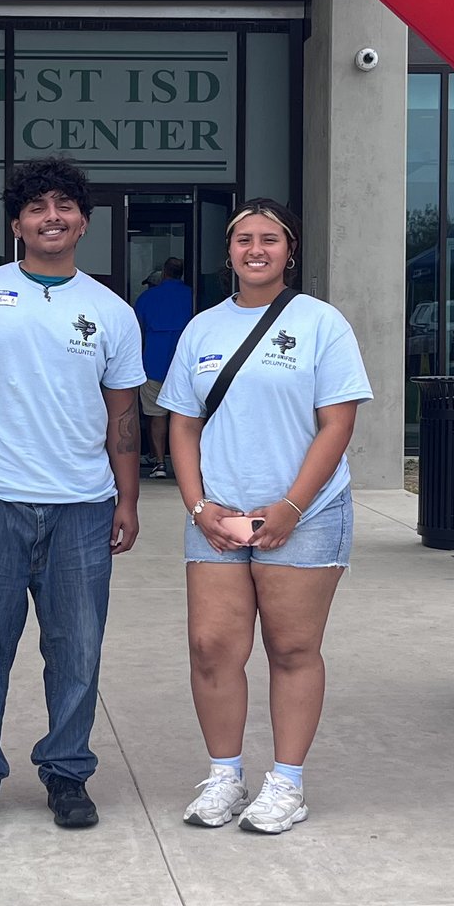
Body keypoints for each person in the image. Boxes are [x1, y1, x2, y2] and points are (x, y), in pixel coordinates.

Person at [0, 157, 143, 834]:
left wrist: (127, 499)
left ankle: (68, 772)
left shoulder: (111, 310)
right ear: (16, 222)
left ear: (83, 220)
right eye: (37, 205)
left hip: (82, 505)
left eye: (65, 204)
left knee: (77, 650)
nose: (52, 215)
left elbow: (124, 414)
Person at [159, 199, 370, 836]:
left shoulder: (320, 324)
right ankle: (225, 776)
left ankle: (287, 783)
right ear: (228, 252)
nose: (257, 249)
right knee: (212, 648)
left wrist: (289, 509)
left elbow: (338, 424)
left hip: (303, 517)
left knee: (293, 648)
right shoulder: (201, 330)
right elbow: (182, 424)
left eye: (270, 239)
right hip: (217, 520)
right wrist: (200, 508)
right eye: (244, 239)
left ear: (290, 250)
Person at [133, 256, 194, 479]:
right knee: (186, 415)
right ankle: (185, 466)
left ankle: (159, 463)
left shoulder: (147, 298)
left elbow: (135, 331)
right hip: (186, 364)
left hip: (154, 361)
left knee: (156, 415)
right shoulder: (192, 295)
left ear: (165, 273)